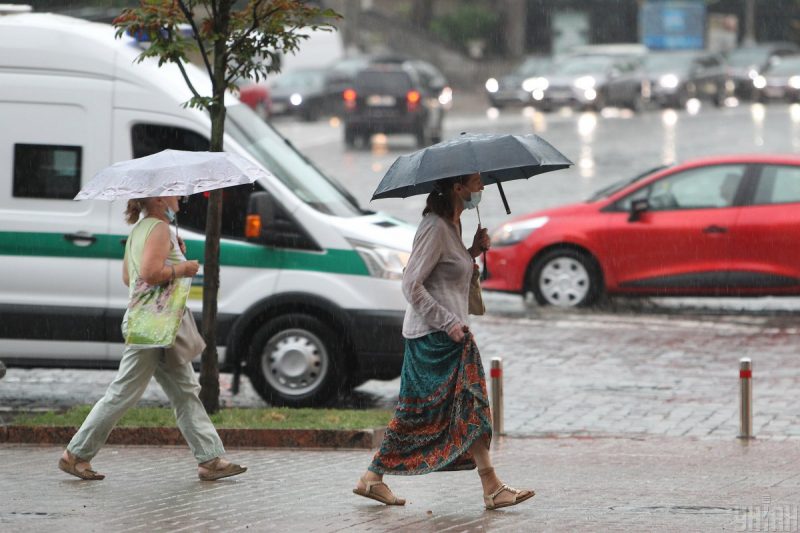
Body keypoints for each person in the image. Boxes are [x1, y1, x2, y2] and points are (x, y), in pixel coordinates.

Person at [353, 172, 534, 510]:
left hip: (455, 335)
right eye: (476, 182)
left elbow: (447, 274)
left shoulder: (454, 225)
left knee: (470, 406)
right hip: (432, 338)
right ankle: (373, 477)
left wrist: (472, 253)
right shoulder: (434, 228)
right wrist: (448, 322)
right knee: (420, 414)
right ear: (457, 188)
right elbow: (411, 284)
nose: (481, 188)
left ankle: (375, 478)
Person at [58, 195, 246, 482]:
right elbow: (148, 273)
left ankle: (210, 459)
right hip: (152, 327)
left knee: (185, 390)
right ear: (159, 198)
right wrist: (181, 268)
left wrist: (174, 253)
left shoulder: (139, 230)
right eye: (174, 192)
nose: (180, 197)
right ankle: (75, 455)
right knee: (123, 393)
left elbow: (127, 276)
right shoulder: (159, 229)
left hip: (158, 325)